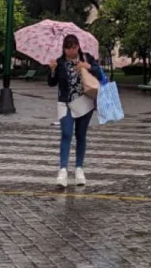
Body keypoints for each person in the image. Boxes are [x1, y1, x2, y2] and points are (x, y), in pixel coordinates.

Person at [47, 34, 104, 187]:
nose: (71, 51)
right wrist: (52, 70)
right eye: (68, 48)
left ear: (78, 46)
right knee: (66, 133)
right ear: (64, 49)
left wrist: (88, 67)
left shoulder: (86, 58)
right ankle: (63, 170)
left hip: (84, 101)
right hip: (65, 102)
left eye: (74, 47)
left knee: (80, 135)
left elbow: (100, 74)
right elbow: (51, 83)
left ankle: (79, 168)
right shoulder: (60, 62)